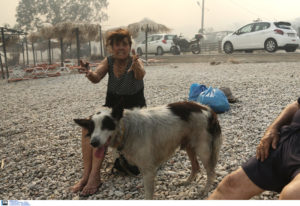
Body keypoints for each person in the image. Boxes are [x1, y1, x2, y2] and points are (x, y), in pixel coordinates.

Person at [71, 28, 146, 196]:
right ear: (111, 47)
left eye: (124, 45)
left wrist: (135, 65)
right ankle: (86, 175)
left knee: (103, 127)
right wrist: (88, 73)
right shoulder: (110, 61)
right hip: (112, 110)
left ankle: (95, 176)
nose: (121, 48)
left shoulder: (135, 60)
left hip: (133, 113)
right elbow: (97, 77)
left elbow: (141, 75)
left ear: (129, 46)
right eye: (117, 45)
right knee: (88, 126)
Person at [208, 97, 300, 200]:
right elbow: (296, 105)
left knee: (291, 195)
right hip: (288, 140)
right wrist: (273, 128)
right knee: (230, 185)